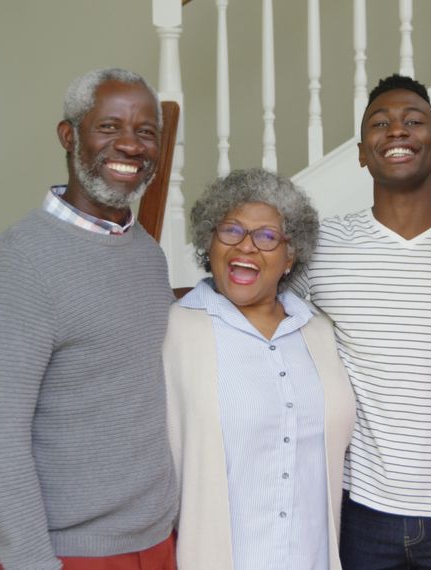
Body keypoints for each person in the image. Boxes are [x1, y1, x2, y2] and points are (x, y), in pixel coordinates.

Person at [0, 68, 178, 570]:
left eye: (146, 131)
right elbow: (0, 438)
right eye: (109, 127)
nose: (130, 145)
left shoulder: (149, 257)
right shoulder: (17, 262)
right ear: (70, 135)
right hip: (68, 553)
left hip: (156, 541)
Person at [291, 75, 431, 569]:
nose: (396, 130)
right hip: (361, 508)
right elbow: (264, 326)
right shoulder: (321, 246)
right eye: (380, 123)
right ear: (361, 153)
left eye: (413, 121)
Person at [164, 168, 355, 569]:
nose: (246, 247)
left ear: (290, 256)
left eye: (267, 236)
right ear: (209, 242)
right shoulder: (174, 330)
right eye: (231, 231)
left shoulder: (319, 334)